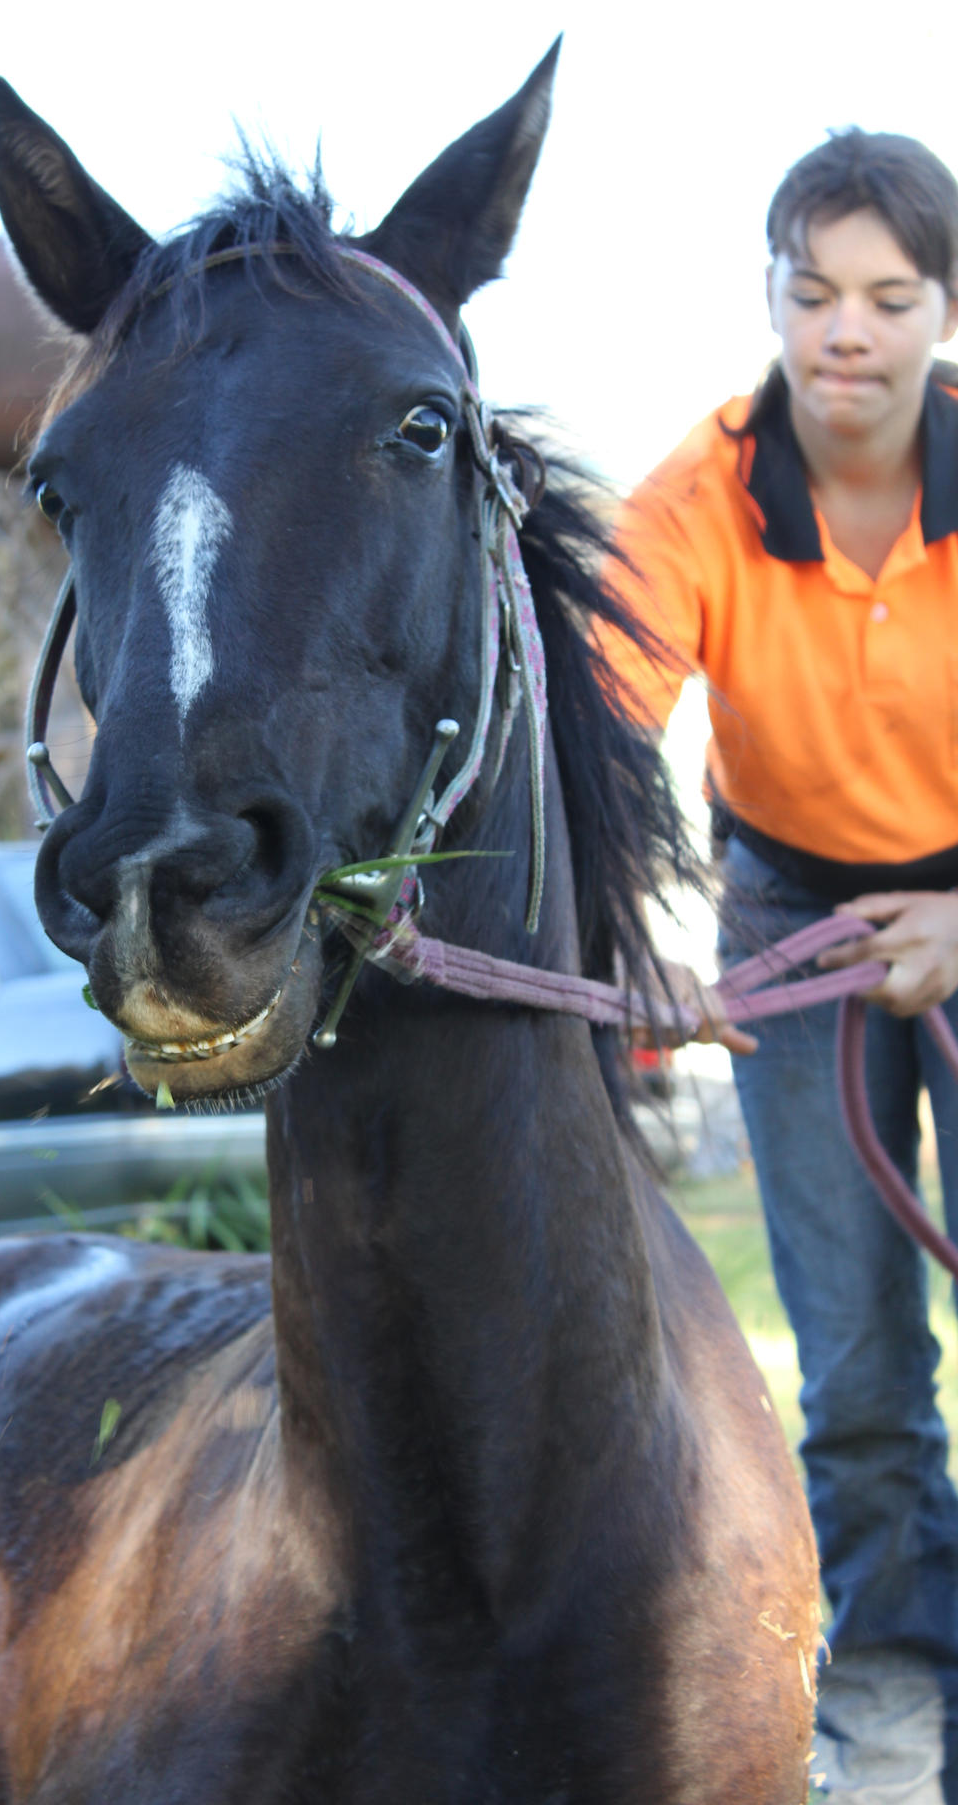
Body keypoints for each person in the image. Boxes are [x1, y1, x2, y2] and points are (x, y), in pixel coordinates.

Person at [600, 128, 958, 1804]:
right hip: (793, 908)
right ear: (771, 299)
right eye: (813, 292)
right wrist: (632, 940)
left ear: (941, 313)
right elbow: (596, 735)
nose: (847, 334)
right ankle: (888, 1697)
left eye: (890, 297)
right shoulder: (703, 494)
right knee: (862, 1352)